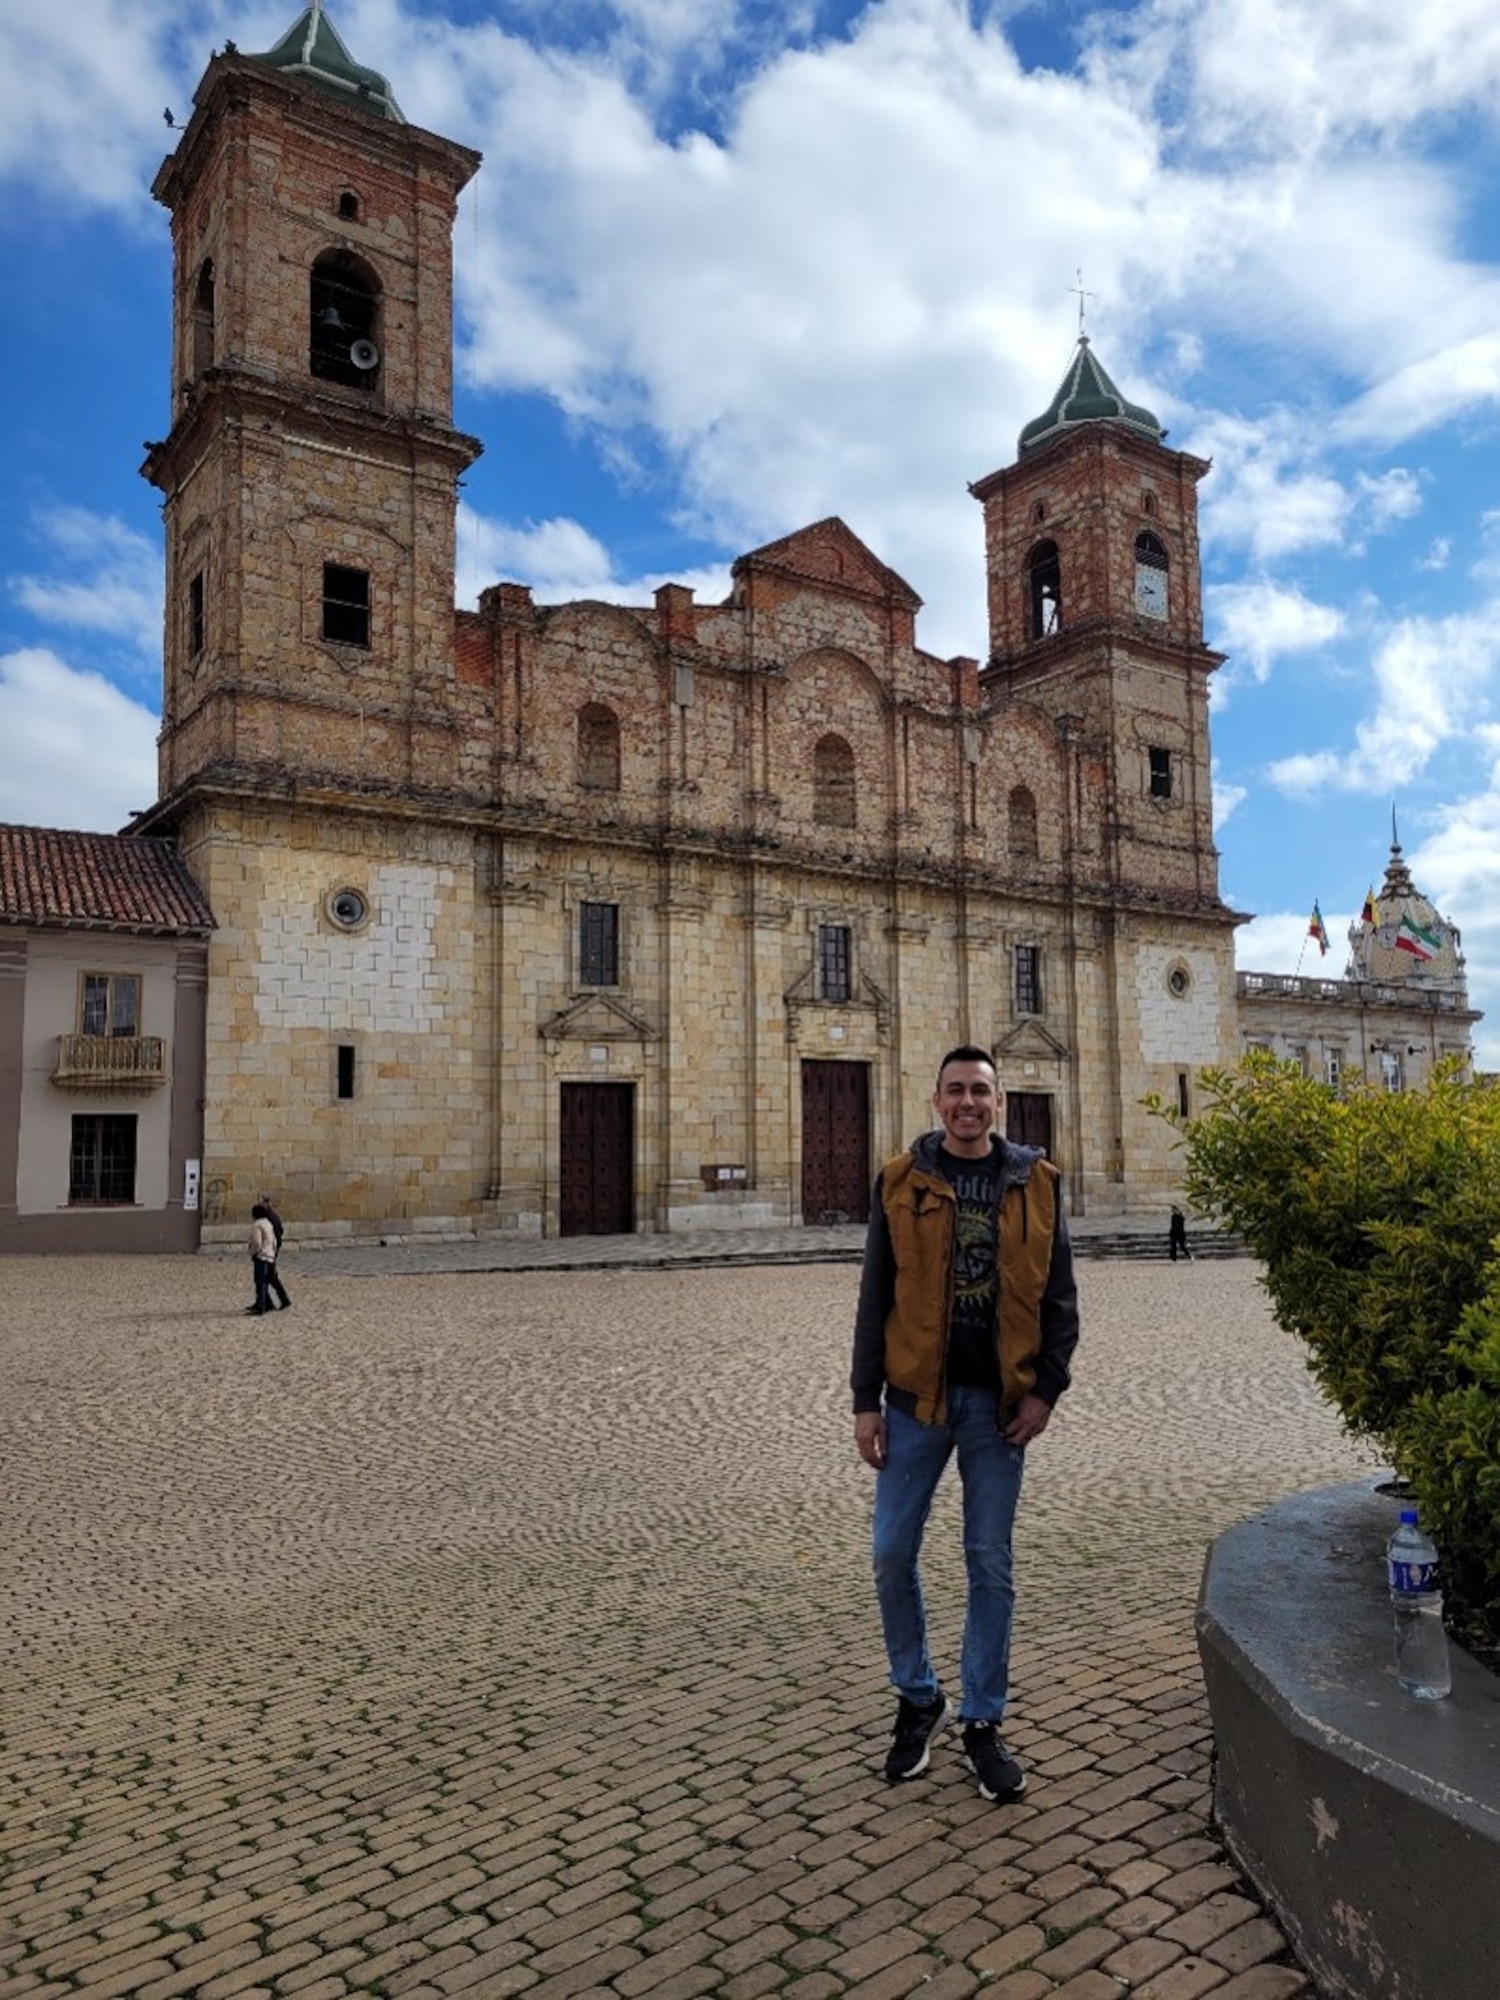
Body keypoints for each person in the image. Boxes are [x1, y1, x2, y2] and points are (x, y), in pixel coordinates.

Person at [850, 1044, 1079, 1802]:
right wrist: (863, 1400)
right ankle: (919, 1697)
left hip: (999, 1409)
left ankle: (983, 1720)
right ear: (937, 1100)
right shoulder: (899, 1181)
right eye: (956, 1091)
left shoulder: (1039, 1184)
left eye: (980, 1091)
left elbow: (1061, 1302)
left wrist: (1045, 1391)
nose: (968, 1103)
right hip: (914, 1404)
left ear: (1000, 1101)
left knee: (990, 1560)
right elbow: (873, 1296)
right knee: (891, 1552)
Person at [258, 1190, 292, 1309]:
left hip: (269, 1249)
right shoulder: (273, 1215)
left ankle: (278, 1301)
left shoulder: (268, 1216)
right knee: (268, 1276)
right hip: (272, 1248)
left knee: (267, 1276)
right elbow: (281, 1230)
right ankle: (267, 1301)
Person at [247, 1202, 277, 1316]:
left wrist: (254, 1252)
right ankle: (267, 1303)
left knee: (259, 1281)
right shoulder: (268, 1223)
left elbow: (256, 1242)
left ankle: (261, 1305)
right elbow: (274, 1240)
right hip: (270, 1255)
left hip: (262, 1255)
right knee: (264, 1281)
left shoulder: (257, 1225)